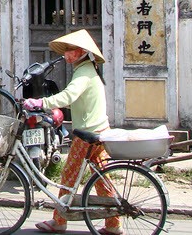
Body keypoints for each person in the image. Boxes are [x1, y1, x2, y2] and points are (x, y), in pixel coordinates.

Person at [22, 29, 121, 235]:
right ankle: (113, 225)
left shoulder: (84, 72)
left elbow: (68, 96)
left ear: (82, 52)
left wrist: (41, 102)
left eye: (71, 50)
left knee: (69, 174)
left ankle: (59, 221)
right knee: (102, 178)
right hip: (100, 129)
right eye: (66, 51)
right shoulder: (87, 69)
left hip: (87, 134)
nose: (67, 54)